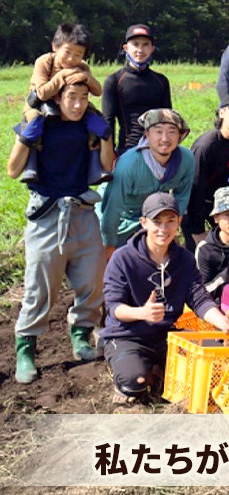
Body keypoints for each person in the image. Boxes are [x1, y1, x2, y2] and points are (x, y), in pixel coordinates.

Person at [7, 82, 114, 384]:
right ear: (57, 97)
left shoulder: (90, 127)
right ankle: (26, 348)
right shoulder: (38, 123)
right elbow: (12, 170)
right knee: (41, 287)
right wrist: (27, 138)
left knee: (93, 280)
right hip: (46, 213)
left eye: (83, 98)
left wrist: (105, 134)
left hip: (82, 210)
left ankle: (80, 335)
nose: (78, 105)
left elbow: (107, 165)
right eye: (71, 98)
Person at [100, 192, 229, 402]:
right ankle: (139, 370)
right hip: (127, 335)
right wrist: (142, 313)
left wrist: (222, 321)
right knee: (135, 383)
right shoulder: (122, 258)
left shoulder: (185, 259)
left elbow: (198, 297)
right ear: (144, 223)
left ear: (179, 222)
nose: (163, 229)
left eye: (170, 221)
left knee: (218, 361)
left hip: (166, 335)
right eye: (157, 222)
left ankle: (160, 368)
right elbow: (114, 306)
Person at [17, 23, 109, 185]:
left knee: (96, 119)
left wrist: (86, 77)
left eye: (78, 55)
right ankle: (30, 167)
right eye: (67, 52)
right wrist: (63, 76)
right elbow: (41, 93)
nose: (71, 59)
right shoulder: (44, 62)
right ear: (55, 47)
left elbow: (97, 91)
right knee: (32, 122)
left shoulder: (82, 67)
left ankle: (95, 168)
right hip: (41, 103)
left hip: (71, 102)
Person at [98, 109, 193, 255]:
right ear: (147, 135)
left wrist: (172, 229)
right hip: (121, 217)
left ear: (180, 135)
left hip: (156, 216)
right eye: (158, 132)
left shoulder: (186, 159)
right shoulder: (129, 164)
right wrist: (109, 244)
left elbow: (181, 198)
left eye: (172, 132)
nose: (165, 138)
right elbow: (112, 208)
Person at [182, 93, 229, 251]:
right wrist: (197, 230)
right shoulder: (206, 145)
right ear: (222, 113)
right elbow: (195, 188)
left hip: (222, 201)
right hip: (194, 204)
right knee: (196, 251)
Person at [102, 24, 172, 155]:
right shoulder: (114, 81)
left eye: (145, 45)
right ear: (126, 48)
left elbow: (168, 120)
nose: (140, 49)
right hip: (128, 150)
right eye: (135, 44)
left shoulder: (161, 81)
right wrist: (109, 155)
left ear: (152, 49)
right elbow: (108, 122)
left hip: (158, 150)